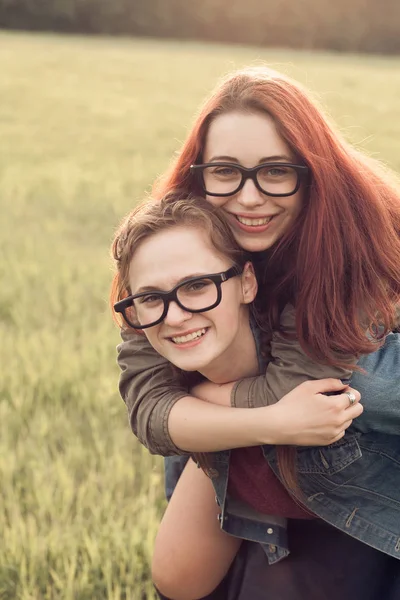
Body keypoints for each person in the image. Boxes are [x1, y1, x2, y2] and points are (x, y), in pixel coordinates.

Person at [115, 66, 400, 598]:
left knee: (374, 389)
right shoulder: (176, 235)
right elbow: (149, 405)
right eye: (225, 171)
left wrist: (200, 394)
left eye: (275, 171)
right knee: (181, 578)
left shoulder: (351, 236)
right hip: (261, 407)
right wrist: (261, 418)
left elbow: (303, 389)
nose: (248, 198)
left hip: (353, 413)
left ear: (310, 170)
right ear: (200, 172)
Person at [111, 196, 367, 599]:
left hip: (361, 506)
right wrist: (277, 422)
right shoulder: (147, 334)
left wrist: (203, 397)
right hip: (258, 475)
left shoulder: (321, 335)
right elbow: (149, 416)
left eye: (197, 286)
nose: (174, 316)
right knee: (178, 579)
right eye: (151, 298)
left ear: (247, 282)